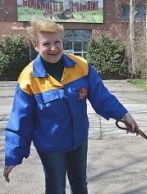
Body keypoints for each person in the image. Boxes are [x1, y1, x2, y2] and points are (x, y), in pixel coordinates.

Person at [3, 17, 139, 194]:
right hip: (51, 146)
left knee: (80, 184)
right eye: (46, 44)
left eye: (57, 42)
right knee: (56, 188)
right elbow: (20, 119)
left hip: (79, 140)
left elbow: (102, 96)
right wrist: (13, 155)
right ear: (35, 45)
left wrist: (124, 115)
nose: (53, 48)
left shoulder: (80, 66)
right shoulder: (28, 78)